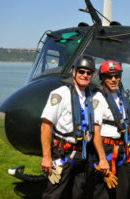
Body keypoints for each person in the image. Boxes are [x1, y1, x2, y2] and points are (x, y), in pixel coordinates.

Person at [40, 55, 96, 199]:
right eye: (81, 71)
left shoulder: (91, 97)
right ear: (74, 72)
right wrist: (47, 157)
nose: (84, 75)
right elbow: (46, 125)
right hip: (63, 153)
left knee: (79, 193)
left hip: (82, 155)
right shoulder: (60, 94)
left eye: (88, 73)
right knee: (54, 194)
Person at [93, 60, 130, 199]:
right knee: (103, 192)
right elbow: (96, 132)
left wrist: (127, 146)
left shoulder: (121, 96)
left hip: (122, 149)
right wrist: (103, 160)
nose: (114, 79)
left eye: (117, 76)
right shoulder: (98, 99)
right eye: (109, 76)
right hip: (107, 150)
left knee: (123, 191)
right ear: (103, 78)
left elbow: (124, 124)